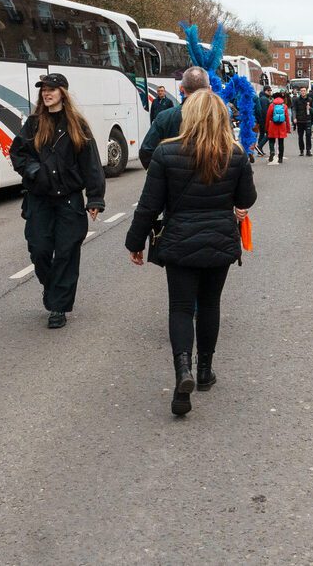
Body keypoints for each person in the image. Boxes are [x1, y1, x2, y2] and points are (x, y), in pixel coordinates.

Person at [125, 91, 257, 418]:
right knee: (210, 305)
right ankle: (204, 372)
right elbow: (247, 198)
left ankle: (182, 369)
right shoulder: (235, 154)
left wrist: (135, 241)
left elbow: (149, 204)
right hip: (220, 240)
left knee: (181, 308)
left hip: (180, 241)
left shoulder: (166, 152)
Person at [9, 72, 105, 330]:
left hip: (69, 201)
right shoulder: (33, 124)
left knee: (66, 254)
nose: (46, 93)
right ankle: (51, 289)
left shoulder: (77, 125)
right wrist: (32, 171)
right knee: (39, 250)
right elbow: (17, 152)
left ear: (63, 92)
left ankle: (58, 306)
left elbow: (91, 163)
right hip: (39, 199)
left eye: (51, 89)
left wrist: (95, 197)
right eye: (43, 90)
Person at [141, 66, 211, 169]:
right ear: (209, 89)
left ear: (181, 88)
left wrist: (162, 174)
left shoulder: (164, 117)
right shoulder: (220, 117)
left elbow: (146, 151)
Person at [263, 90, 291, 164]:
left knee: (271, 140)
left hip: (273, 125)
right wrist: (288, 128)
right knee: (281, 142)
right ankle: (280, 158)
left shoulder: (272, 105)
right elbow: (287, 118)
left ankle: (272, 151)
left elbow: (268, 117)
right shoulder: (284, 106)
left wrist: (266, 128)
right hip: (282, 126)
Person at [291, 84, 313, 157]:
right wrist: (294, 118)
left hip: (308, 120)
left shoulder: (310, 100)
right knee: (300, 136)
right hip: (300, 121)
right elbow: (294, 109)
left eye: (304, 91)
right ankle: (301, 150)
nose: (303, 92)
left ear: (306, 91)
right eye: (301, 91)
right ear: (299, 92)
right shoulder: (296, 100)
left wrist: (310, 108)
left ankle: (308, 150)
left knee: (308, 135)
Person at [254, 85, 272, 159]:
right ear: (265, 91)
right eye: (269, 91)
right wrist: (266, 121)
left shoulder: (262, 98)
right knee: (268, 134)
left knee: (261, 134)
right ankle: (259, 146)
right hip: (264, 120)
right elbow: (264, 111)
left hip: (261, 120)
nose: (270, 92)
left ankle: (259, 150)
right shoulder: (264, 99)